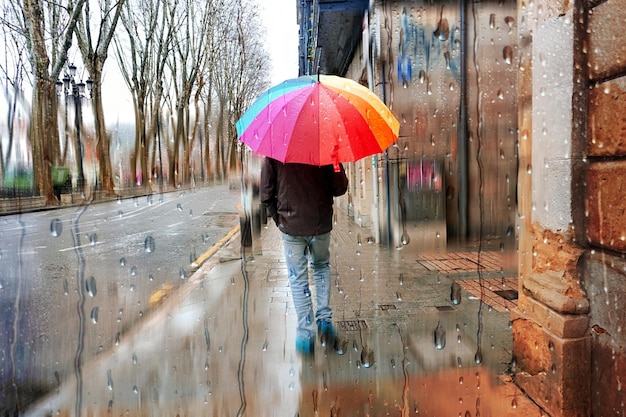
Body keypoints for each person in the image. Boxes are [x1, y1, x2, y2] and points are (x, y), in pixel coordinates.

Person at [260, 157, 348, 355]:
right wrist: (334, 160)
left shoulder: (275, 149)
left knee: (298, 279)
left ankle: (306, 335)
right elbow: (339, 188)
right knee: (321, 267)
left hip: (291, 227)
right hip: (320, 223)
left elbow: (266, 194)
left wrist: (280, 220)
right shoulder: (325, 146)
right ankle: (324, 319)